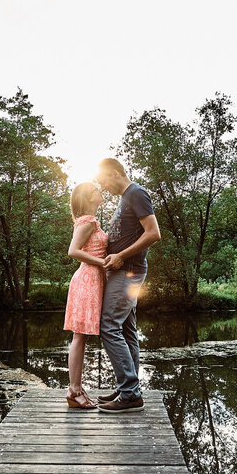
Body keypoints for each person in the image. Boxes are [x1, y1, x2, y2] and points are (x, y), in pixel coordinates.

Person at [93, 158, 160, 414]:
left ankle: (130, 393)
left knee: (108, 325)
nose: (104, 186)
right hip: (125, 272)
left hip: (128, 271)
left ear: (115, 172)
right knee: (127, 330)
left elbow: (153, 233)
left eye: (104, 180)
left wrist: (121, 256)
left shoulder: (136, 192)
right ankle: (127, 389)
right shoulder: (125, 198)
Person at [62, 181, 107, 408]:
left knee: (82, 336)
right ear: (89, 198)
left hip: (93, 280)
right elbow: (73, 251)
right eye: (96, 189)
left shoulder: (92, 221)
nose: (100, 191)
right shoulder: (88, 221)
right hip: (87, 280)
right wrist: (103, 262)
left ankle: (76, 390)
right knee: (79, 336)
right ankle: (74, 391)